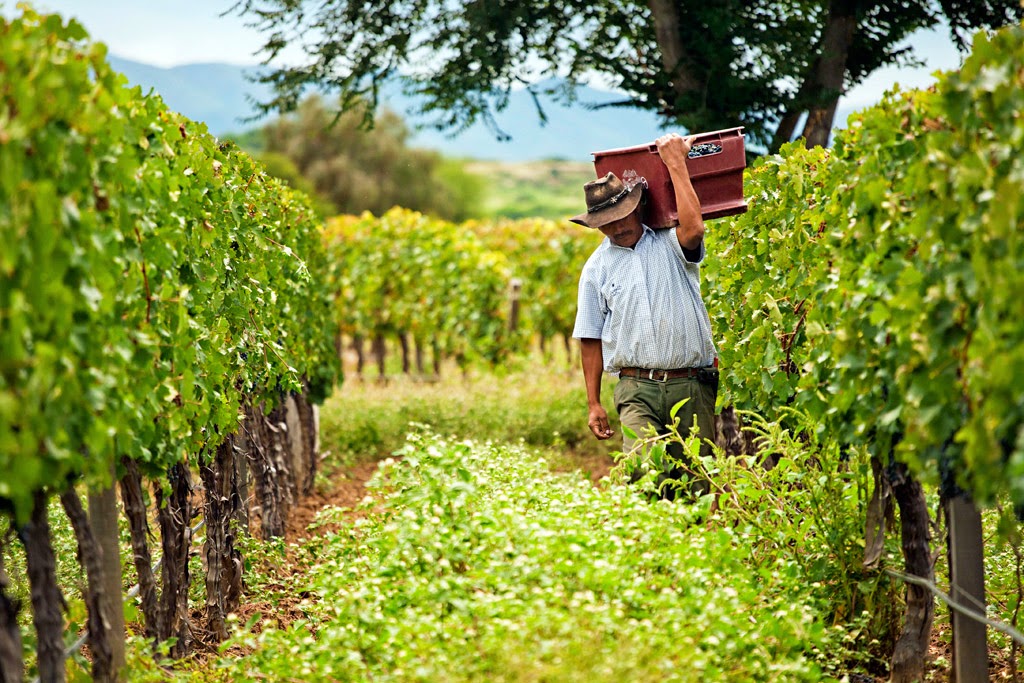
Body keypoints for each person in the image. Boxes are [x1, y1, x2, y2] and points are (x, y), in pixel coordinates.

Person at [570, 133, 718, 499]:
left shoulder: (670, 242)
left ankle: (687, 552)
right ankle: (652, 552)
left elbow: (695, 228)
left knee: (696, 485)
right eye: (606, 222)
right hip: (636, 388)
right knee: (643, 475)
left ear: (636, 208)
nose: (617, 226)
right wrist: (593, 403)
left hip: (692, 383)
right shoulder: (596, 269)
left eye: (622, 216)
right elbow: (589, 338)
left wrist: (676, 164)